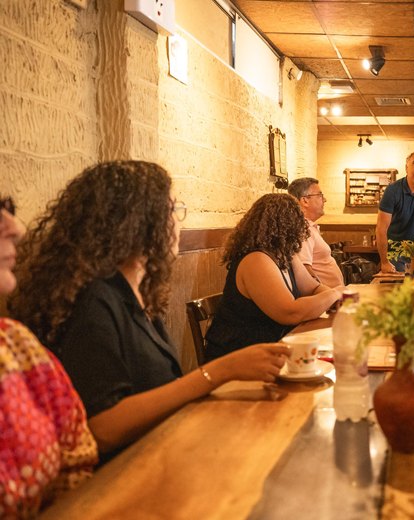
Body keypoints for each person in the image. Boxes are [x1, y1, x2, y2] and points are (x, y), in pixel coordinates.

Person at [11, 161, 292, 461]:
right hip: (120, 476)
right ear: (134, 223)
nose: (178, 221)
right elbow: (103, 429)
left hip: (161, 450)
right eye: (173, 209)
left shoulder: (138, 292)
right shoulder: (93, 299)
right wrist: (221, 371)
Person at [1, 196, 97, 517]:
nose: (16, 228)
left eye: (9, 211)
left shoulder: (16, 342)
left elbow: (77, 454)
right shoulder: (95, 302)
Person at [205, 193, 341, 360]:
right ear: (286, 226)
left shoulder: (285, 255)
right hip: (240, 356)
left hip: (273, 348)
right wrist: (335, 294)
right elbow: (290, 312)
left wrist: (331, 298)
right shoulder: (256, 260)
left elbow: (312, 288)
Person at [287, 177, 344, 288]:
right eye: (320, 195)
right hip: (326, 300)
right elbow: (305, 270)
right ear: (305, 200)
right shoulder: (303, 229)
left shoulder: (309, 227)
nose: (325, 200)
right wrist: (324, 293)